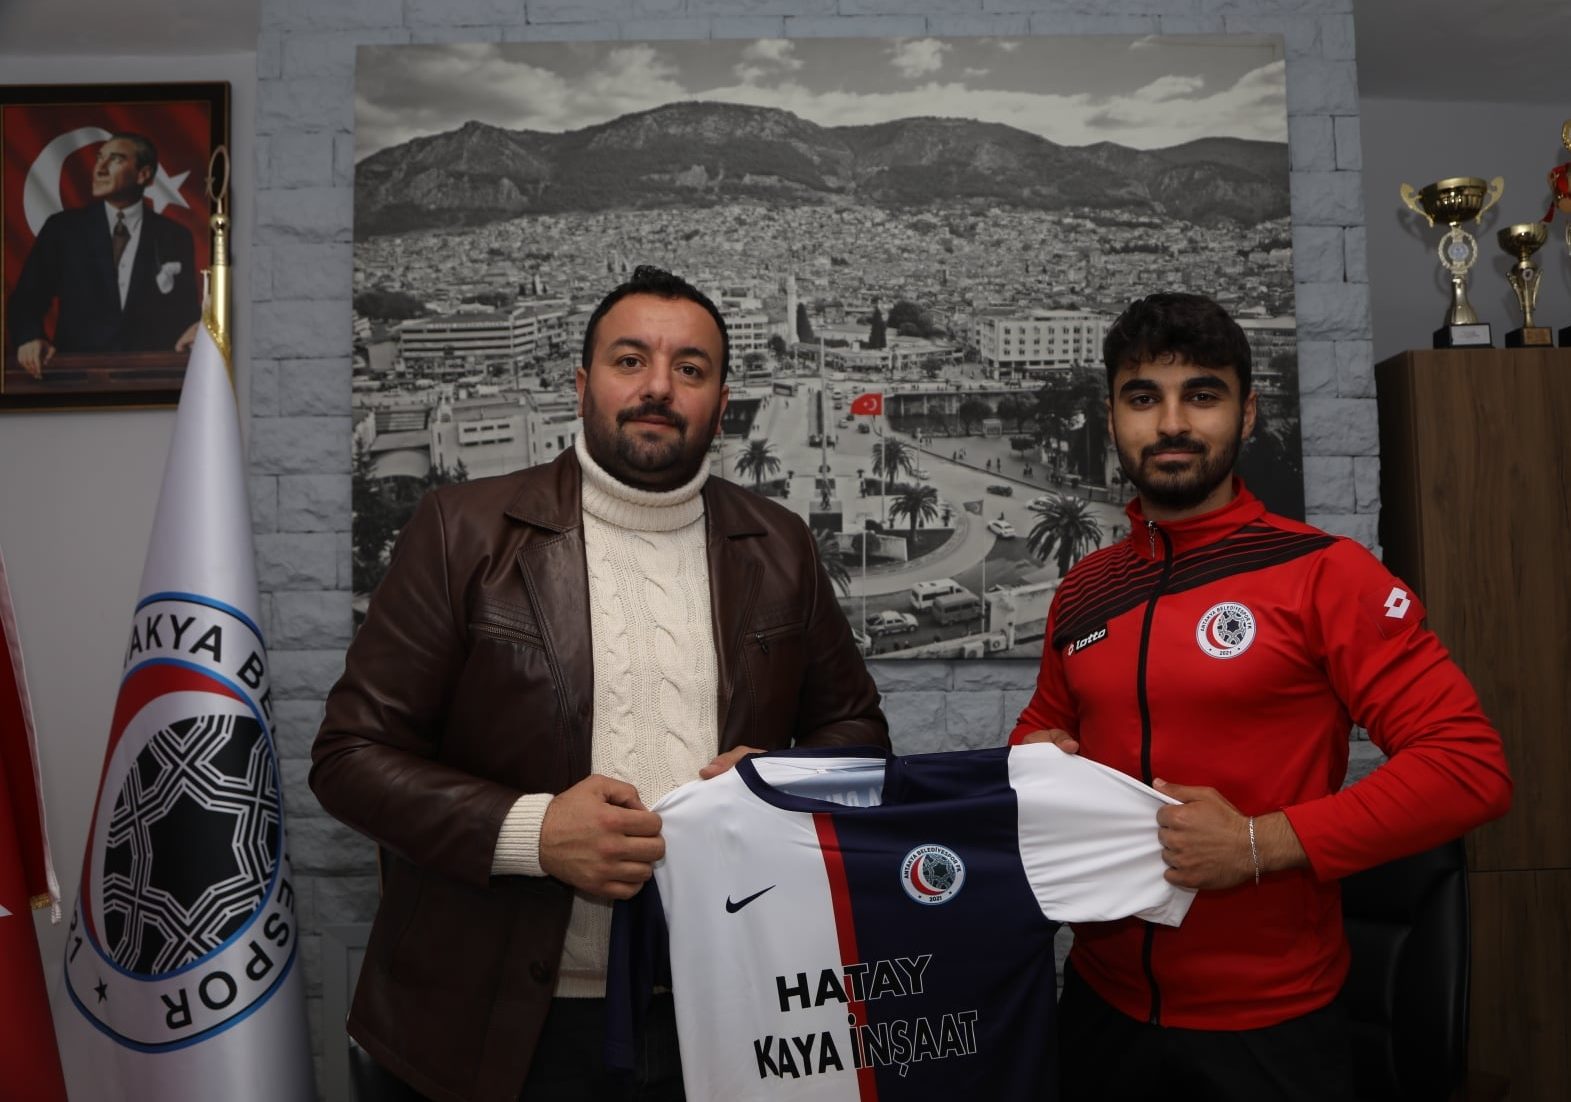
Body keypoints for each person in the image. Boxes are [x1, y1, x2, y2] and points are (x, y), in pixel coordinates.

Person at [311, 265, 888, 1102]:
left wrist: (781, 784)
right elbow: (349, 757)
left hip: (728, 1011)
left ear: (722, 404)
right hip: (502, 1027)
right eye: (630, 360)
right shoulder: (460, 531)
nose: (658, 387)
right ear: (582, 386)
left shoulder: (781, 545)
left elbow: (858, 736)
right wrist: (533, 833)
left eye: (689, 368)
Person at [1009, 292, 1511, 1102]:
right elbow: (1045, 724)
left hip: (1270, 1030)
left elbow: (1468, 768)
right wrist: (1033, 756)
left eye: (1201, 395)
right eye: (1143, 397)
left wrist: (1256, 843)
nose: (1171, 423)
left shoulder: (1323, 574)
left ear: (1245, 415)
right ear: (1111, 418)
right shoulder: (1084, 589)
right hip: (1100, 1007)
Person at [6, 132, 200, 377]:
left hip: (150, 380)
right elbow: (26, 301)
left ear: (143, 174)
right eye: (99, 158)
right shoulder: (62, 230)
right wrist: (30, 337)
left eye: (115, 159)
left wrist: (197, 329)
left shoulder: (175, 236)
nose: (99, 168)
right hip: (75, 379)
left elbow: (185, 312)